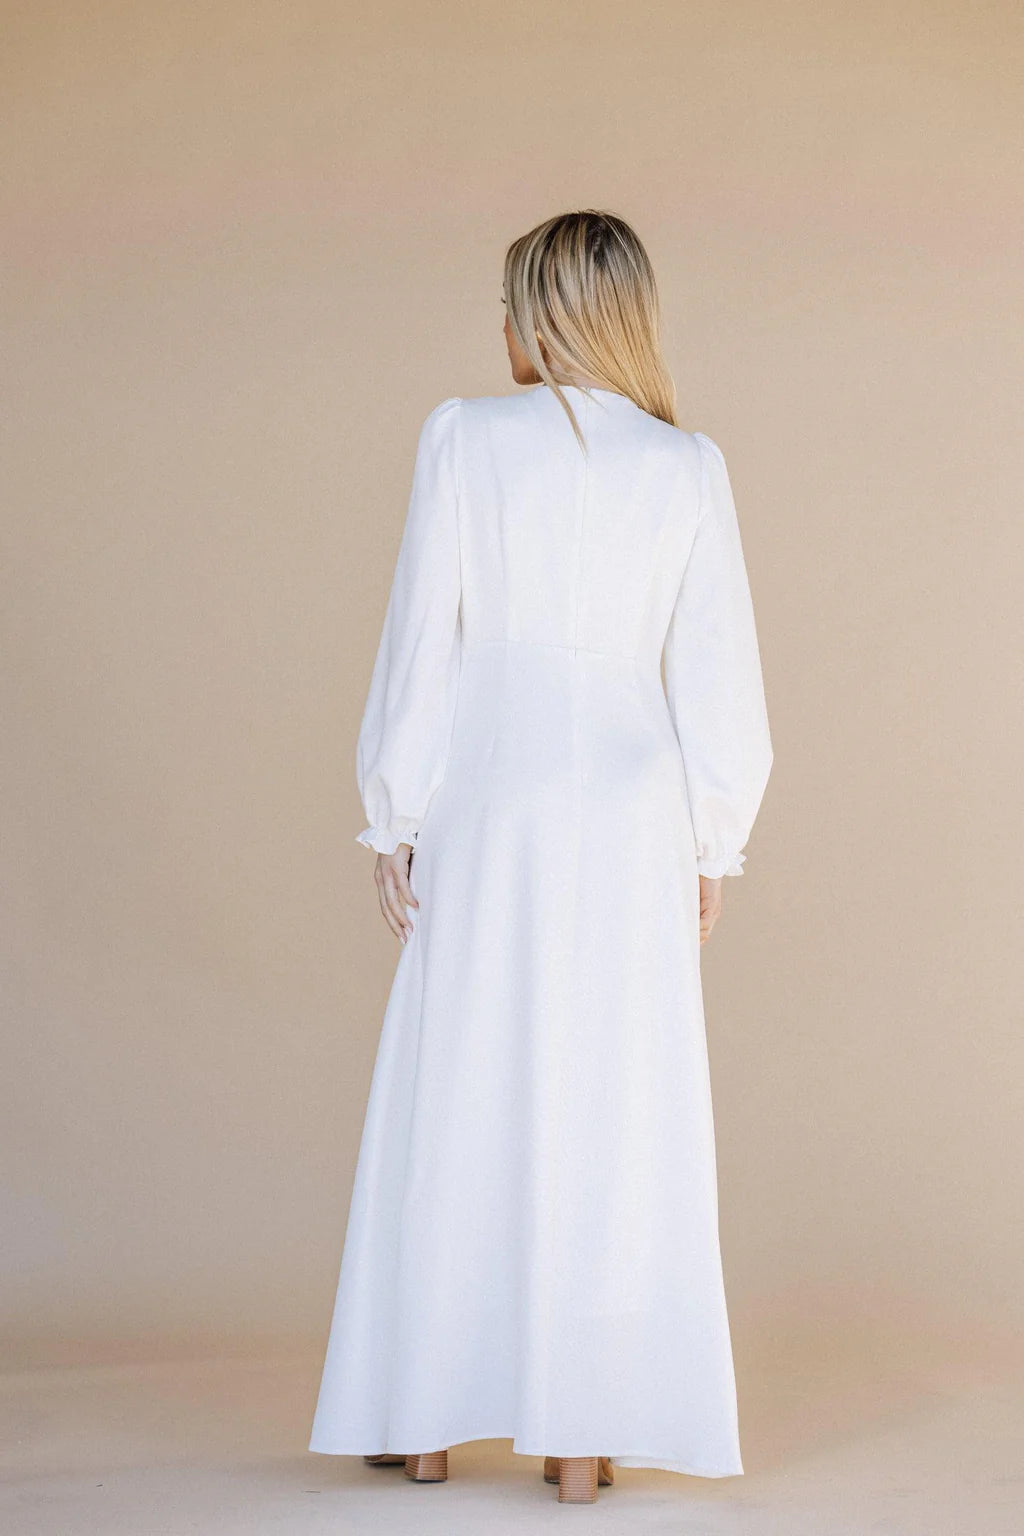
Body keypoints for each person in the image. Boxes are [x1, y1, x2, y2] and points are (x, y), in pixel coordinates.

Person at [308, 210, 773, 1505]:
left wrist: (395, 814)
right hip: (633, 806)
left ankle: (429, 1418)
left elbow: (423, 636)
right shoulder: (687, 465)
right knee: (618, 1100)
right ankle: (582, 1436)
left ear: (536, 316)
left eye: (508, 303)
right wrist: (713, 840)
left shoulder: (464, 436)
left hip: (493, 790)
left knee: (462, 1083)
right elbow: (719, 675)